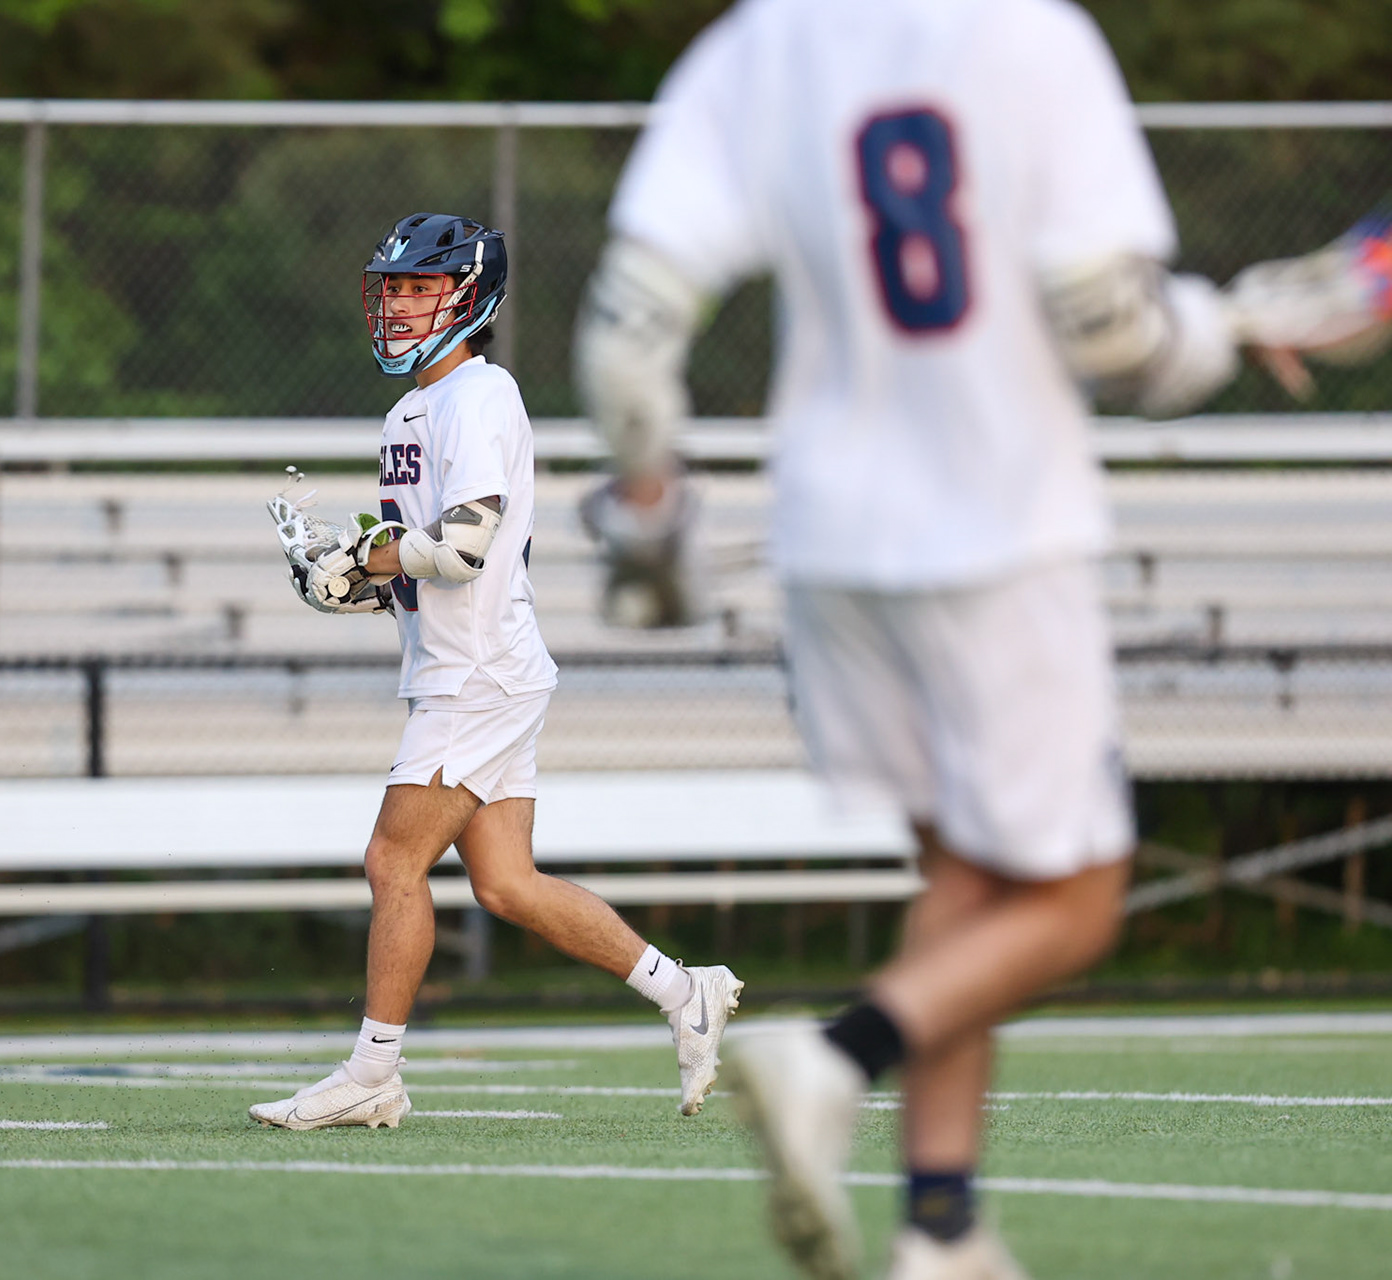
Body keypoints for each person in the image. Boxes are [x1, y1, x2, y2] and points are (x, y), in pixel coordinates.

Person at [572, 1, 1392, 1276]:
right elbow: (1111, 327)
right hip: (999, 527)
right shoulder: (1030, 35)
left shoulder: (759, 45)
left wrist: (648, 508)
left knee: (972, 879)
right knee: (1074, 898)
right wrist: (1226, 329)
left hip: (832, 542)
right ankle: (835, 1057)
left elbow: (626, 338)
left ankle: (942, 1228)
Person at [249, 212, 744, 1131]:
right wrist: (352, 582)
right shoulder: (409, 410)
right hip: (468, 664)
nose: (397, 304)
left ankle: (374, 1072)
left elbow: (466, 544)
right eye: (391, 287)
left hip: (478, 675)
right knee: (506, 884)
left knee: (392, 857)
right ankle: (688, 994)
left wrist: (370, 553)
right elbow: (424, 569)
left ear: (467, 297)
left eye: (418, 287)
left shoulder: (480, 394)